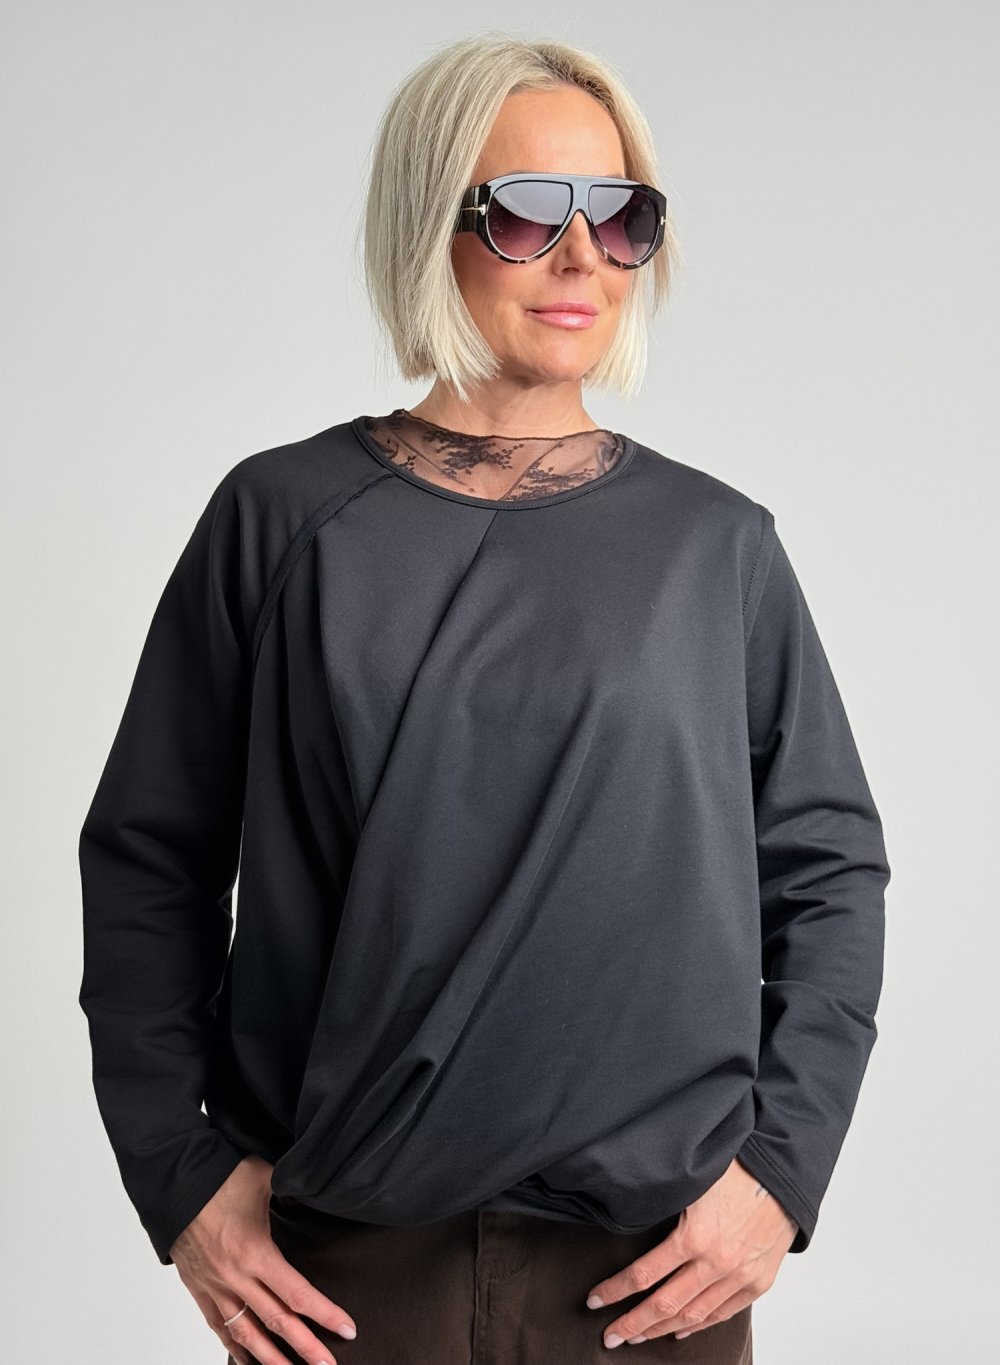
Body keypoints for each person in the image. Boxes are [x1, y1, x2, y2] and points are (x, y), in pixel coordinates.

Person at [77, 31, 890, 1365]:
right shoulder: (280, 522)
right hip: (340, 1285)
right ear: (430, 225)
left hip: (651, 1286)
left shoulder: (718, 547)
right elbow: (147, 860)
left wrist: (782, 1174)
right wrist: (179, 1176)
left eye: (620, 215)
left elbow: (829, 869)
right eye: (526, 210)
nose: (582, 257)